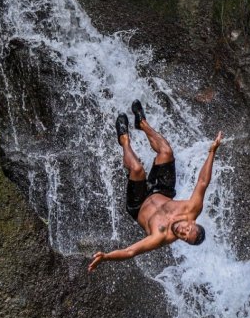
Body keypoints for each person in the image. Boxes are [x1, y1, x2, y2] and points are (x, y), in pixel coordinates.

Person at [88, 100, 222, 272]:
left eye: (183, 237)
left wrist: (106, 257)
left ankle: (124, 140)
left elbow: (130, 252)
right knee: (166, 152)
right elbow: (203, 182)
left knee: (137, 169)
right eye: (188, 229)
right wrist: (212, 151)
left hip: (138, 204)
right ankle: (142, 124)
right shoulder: (192, 209)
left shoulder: (160, 236)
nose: (182, 231)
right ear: (192, 221)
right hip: (161, 191)